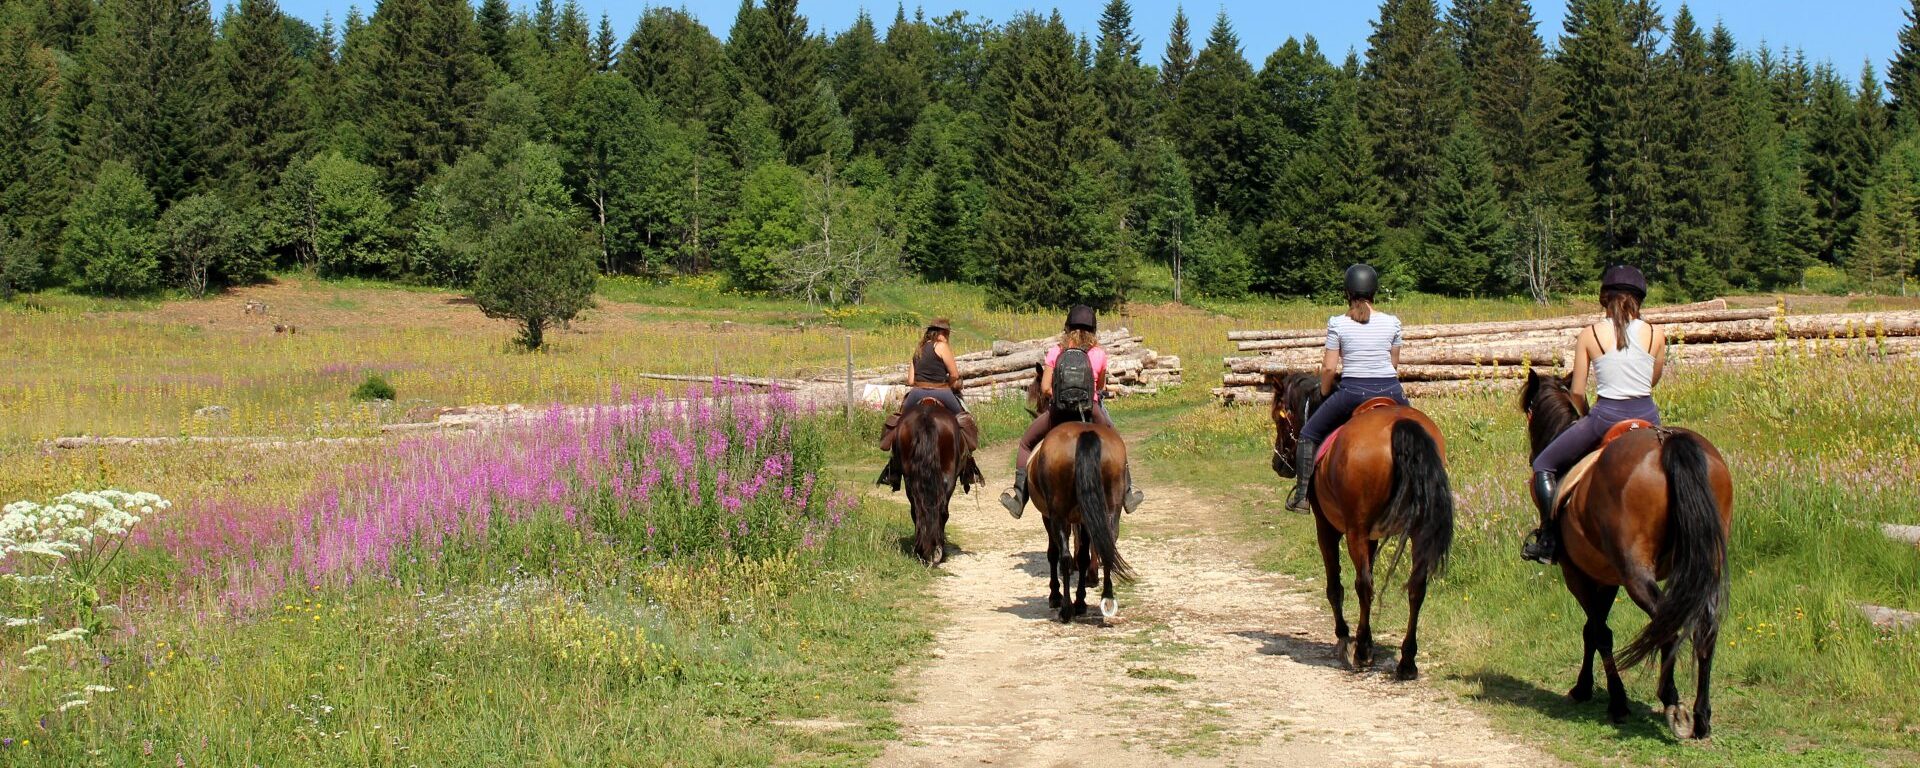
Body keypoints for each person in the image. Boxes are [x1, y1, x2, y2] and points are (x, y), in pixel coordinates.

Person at [1520, 265, 1665, 564]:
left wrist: (1587, 417)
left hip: (1606, 417)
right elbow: (1652, 380)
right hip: (1648, 417)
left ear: (1604, 298)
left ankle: (1548, 540)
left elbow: (1576, 392)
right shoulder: (1656, 334)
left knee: (1543, 464)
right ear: (1639, 299)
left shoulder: (1590, 335)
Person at [999, 304, 1145, 519]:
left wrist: (1060, 395)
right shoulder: (1098, 354)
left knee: (1026, 444)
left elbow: (1045, 388)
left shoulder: (1056, 351)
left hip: (1059, 411)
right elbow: (1100, 387)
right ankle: (1128, 493)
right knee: (1117, 442)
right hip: (1091, 410)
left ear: (1067, 328)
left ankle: (1019, 497)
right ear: (1093, 329)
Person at [1288, 264, 1407, 512]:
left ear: (1347, 293)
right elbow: (1393, 364)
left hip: (1353, 392)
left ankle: (1302, 496)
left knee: (1308, 434)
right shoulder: (1393, 323)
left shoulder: (1338, 324)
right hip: (1392, 390)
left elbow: (1329, 369)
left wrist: (1324, 392)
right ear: (1374, 291)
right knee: (1418, 431)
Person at [877, 318, 982, 489]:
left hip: (917, 392)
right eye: (946, 333)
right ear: (940, 333)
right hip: (942, 392)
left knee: (900, 422)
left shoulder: (918, 349)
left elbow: (910, 380)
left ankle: (893, 469)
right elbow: (955, 375)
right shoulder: (941, 346)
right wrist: (948, 384)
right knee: (964, 419)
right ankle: (969, 467)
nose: (947, 336)